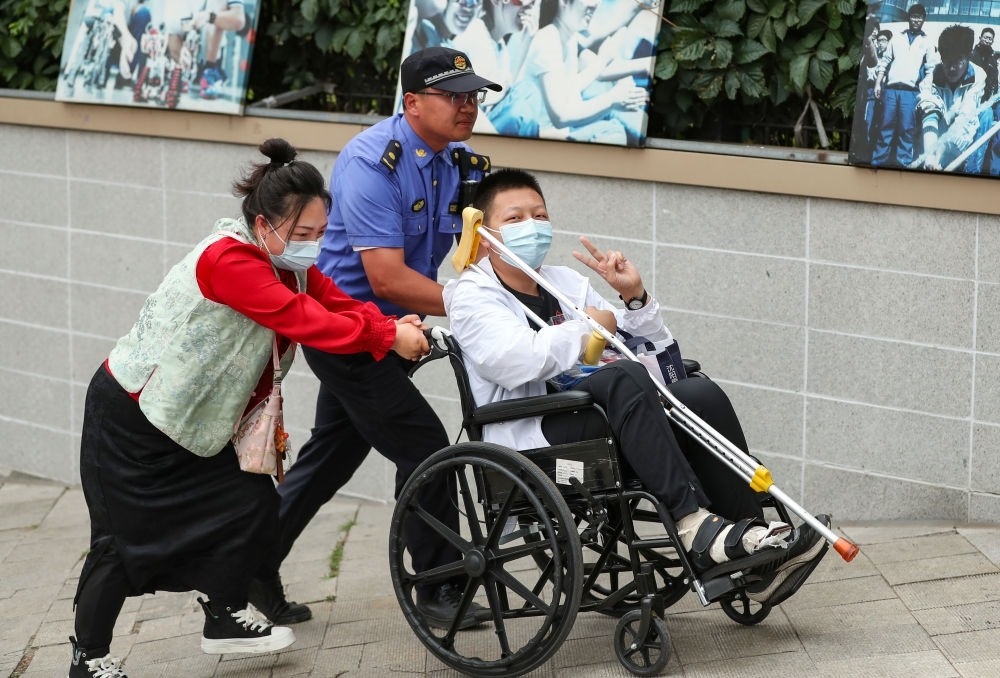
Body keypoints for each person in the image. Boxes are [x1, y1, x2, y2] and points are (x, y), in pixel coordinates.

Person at [68, 138, 430, 678]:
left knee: (252, 507)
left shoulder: (287, 263)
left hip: (197, 424)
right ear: (264, 224)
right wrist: (386, 335)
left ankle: (224, 615)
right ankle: (89, 658)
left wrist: (391, 325)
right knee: (122, 541)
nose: (313, 245)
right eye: (302, 234)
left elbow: (333, 302)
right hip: (134, 418)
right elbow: (301, 319)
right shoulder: (230, 260)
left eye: (321, 234)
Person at [443, 168, 830, 606]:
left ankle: (755, 549)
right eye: (515, 219)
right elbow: (515, 360)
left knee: (696, 393)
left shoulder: (565, 283)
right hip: (536, 436)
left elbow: (630, 344)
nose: (531, 226)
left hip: (599, 415)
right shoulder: (472, 295)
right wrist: (588, 330)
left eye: (540, 215)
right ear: (484, 233)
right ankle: (693, 527)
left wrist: (634, 298)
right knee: (623, 378)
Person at [248, 47, 502, 631]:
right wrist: (477, 307)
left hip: (398, 331)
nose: (468, 106)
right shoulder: (371, 162)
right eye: (453, 95)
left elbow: (474, 254)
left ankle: (246, 569)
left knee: (331, 457)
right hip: (347, 332)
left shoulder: (457, 162)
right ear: (412, 103)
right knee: (425, 446)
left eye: (472, 95)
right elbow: (385, 277)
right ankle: (436, 586)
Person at [487, 0, 649, 143]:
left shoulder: (569, 38)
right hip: (541, 136)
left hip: (557, 131)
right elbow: (561, 117)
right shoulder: (548, 40)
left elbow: (570, 88)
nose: (595, 3)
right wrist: (612, 99)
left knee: (625, 122)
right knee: (614, 130)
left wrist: (605, 62)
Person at [917, 24, 993, 173]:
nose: (952, 68)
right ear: (941, 57)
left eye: (959, 60)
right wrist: (932, 156)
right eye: (947, 60)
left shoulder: (978, 75)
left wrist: (940, 153)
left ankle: (971, 172)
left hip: (963, 138)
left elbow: (965, 117)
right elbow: (929, 114)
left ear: (968, 56)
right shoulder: (931, 78)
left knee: (987, 114)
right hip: (934, 138)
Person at [871, 4, 936, 168]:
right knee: (885, 128)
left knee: (907, 130)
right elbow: (885, 62)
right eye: (914, 16)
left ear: (923, 20)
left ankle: (903, 166)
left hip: (911, 93)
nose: (916, 20)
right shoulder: (897, 38)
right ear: (909, 18)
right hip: (891, 90)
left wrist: (926, 92)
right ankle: (877, 164)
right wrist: (878, 83)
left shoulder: (927, 41)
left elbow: (930, 69)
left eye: (920, 17)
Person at [970, 26, 997, 103]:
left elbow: (995, 77)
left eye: (990, 39)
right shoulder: (972, 54)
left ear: (992, 41)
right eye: (985, 38)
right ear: (980, 38)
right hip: (973, 94)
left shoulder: (992, 58)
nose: (987, 41)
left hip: (987, 96)